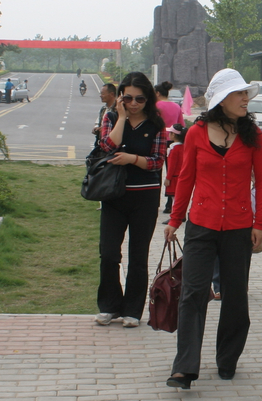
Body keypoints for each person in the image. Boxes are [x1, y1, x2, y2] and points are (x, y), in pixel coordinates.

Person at [163, 68, 262, 390]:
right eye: (239, 94)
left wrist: (260, 225)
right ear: (222, 100)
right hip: (201, 225)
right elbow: (186, 178)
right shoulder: (196, 133)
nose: (245, 99)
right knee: (193, 295)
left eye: (246, 93)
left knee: (235, 296)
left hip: (239, 227)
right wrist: (175, 219)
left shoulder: (253, 135)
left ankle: (227, 358)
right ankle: (184, 368)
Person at [94, 71, 167, 329]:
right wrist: (122, 117)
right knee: (109, 253)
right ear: (120, 97)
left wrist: (132, 159)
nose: (133, 103)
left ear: (148, 99)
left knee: (138, 256)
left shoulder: (156, 124)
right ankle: (109, 306)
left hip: (145, 198)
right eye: (128, 98)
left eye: (140, 99)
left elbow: (157, 161)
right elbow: (107, 145)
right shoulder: (112, 117)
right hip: (114, 195)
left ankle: (133, 310)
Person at [154, 81, 185, 213]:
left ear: (157, 93)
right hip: (173, 142)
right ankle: (170, 203)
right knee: (171, 172)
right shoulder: (176, 106)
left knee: (156, 172)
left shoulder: (156, 106)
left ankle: (155, 201)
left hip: (159, 140)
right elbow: (182, 125)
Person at [161, 124, 187, 225]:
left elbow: (171, 165)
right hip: (182, 175)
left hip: (174, 176)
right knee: (180, 197)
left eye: (170, 133)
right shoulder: (184, 147)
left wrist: (168, 178)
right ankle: (182, 215)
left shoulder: (174, 148)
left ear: (174, 135)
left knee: (174, 198)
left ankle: (175, 216)